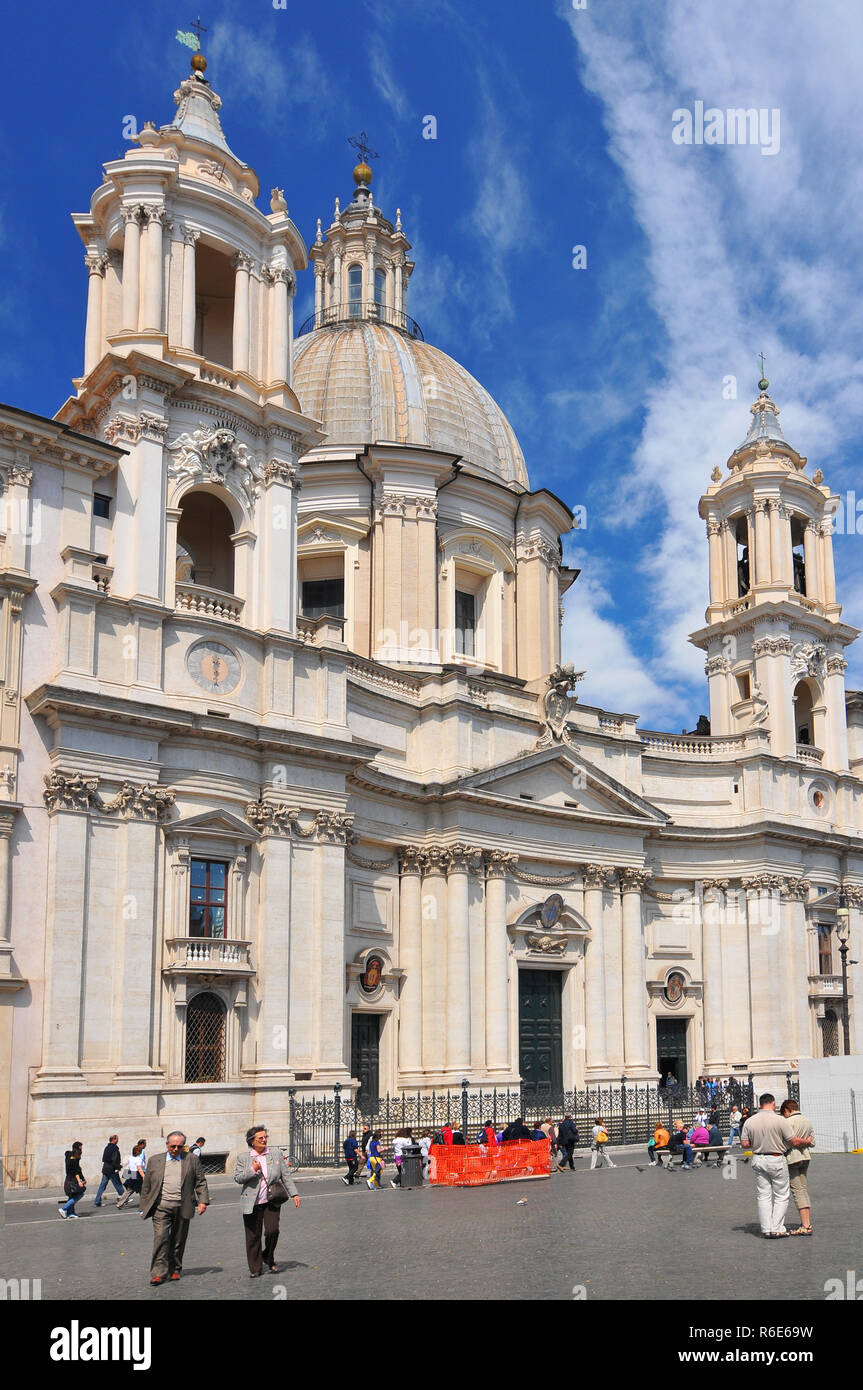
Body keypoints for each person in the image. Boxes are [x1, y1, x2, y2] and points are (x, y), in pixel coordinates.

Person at [140, 1132, 209, 1283]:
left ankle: (175, 1269)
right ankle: (158, 1272)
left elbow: (200, 1181)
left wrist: (203, 1201)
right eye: (173, 1146)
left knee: (178, 1240)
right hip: (161, 1206)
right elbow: (146, 1186)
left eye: (179, 1146)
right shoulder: (154, 1160)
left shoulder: (192, 1159)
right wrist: (143, 1206)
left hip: (183, 1205)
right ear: (167, 1145)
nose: (176, 1149)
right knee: (161, 1238)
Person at [740, 1094, 812, 1238]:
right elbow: (793, 1141)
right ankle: (777, 1227)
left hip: (759, 1158)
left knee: (763, 1195)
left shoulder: (750, 1121)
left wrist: (758, 1141)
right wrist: (807, 1140)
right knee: (781, 1195)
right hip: (776, 1158)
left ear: (760, 1104)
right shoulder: (780, 1120)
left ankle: (766, 1229)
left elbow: (744, 1144)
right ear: (773, 1103)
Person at [234, 1125, 300, 1277]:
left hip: (271, 1200)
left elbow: (286, 1175)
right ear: (252, 1141)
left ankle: (268, 1256)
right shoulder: (244, 1158)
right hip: (252, 1203)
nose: (264, 1140)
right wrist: (252, 1170)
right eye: (260, 1138)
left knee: (272, 1231)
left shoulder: (275, 1154)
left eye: (265, 1137)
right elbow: (238, 1178)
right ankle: (255, 1268)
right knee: (253, 1236)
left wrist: (294, 1194)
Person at [780, 1098, 815, 1236]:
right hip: (806, 1156)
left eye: (784, 1113)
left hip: (793, 1158)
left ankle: (806, 1225)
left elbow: (785, 1144)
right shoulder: (807, 1120)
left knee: (797, 1190)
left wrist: (795, 1143)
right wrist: (804, 1142)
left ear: (787, 1110)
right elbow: (812, 1142)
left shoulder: (787, 1122)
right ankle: (807, 1222)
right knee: (803, 1188)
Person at [94, 1134, 124, 1207]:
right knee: (118, 1184)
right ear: (114, 1140)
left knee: (102, 1185)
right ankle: (124, 1198)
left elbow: (104, 1159)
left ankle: (97, 1201)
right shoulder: (114, 1148)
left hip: (105, 1169)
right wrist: (118, 1166)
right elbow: (114, 1160)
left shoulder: (107, 1148)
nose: (118, 1140)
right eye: (117, 1139)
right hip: (112, 1169)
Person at [58, 1142, 86, 1218]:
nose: (81, 1149)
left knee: (72, 1196)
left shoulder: (69, 1156)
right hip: (72, 1181)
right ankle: (64, 1209)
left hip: (68, 1180)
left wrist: (83, 1178)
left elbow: (78, 1170)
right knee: (79, 1194)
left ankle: (71, 1213)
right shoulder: (74, 1160)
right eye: (80, 1147)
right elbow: (76, 1172)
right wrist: (80, 1181)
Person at [117, 1140, 147, 1209]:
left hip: (132, 1173)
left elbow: (129, 1166)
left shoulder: (130, 1158)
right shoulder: (138, 1159)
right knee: (135, 1190)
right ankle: (120, 1203)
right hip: (137, 1175)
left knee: (136, 1190)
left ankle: (145, 1203)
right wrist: (144, 1176)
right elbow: (139, 1169)